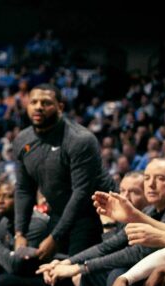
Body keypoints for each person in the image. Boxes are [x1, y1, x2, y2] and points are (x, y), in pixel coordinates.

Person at [14, 83, 116, 259]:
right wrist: (20, 233)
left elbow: (81, 192)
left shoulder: (80, 139)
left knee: (76, 269)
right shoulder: (22, 139)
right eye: (34, 102)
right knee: (38, 265)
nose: (38, 107)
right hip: (60, 212)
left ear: (60, 107)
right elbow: (24, 189)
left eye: (46, 103)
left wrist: (56, 236)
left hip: (93, 213)